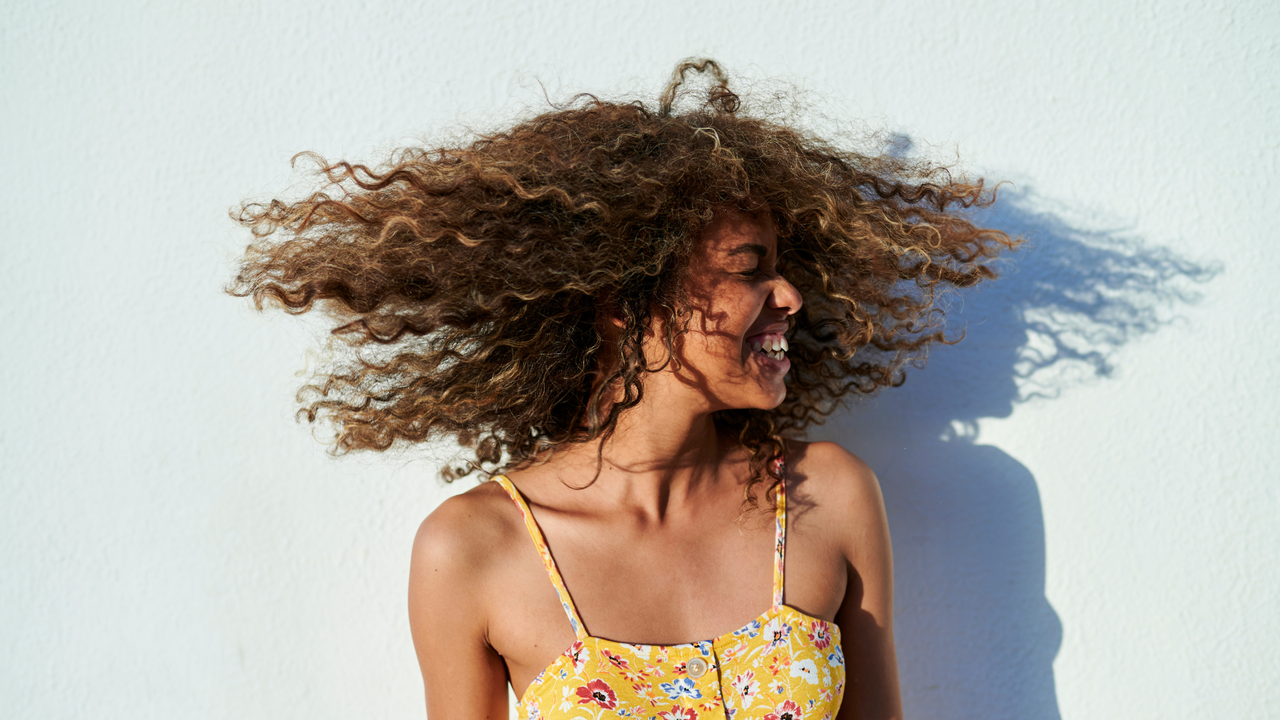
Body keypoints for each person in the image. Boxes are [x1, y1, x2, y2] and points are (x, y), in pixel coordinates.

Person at [230, 59, 1016, 720]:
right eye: (749, 269)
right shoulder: (475, 549)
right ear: (623, 303)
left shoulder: (827, 497)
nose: (790, 299)